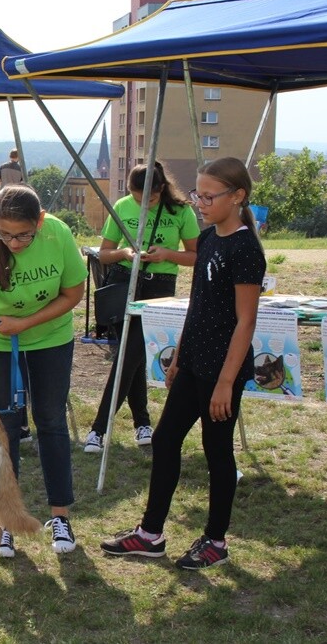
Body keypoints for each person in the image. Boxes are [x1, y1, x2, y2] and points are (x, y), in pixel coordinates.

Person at [100, 157, 266, 571]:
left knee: (217, 452)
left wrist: (227, 381)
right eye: (197, 194)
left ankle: (216, 541)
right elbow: (199, 306)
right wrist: (179, 356)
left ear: (238, 196)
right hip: (193, 364)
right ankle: (150, 534)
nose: (200, 203)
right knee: (165, 439)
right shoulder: (209, 239)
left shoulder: (245, 249)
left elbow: (246, 321)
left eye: (209, 196)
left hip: (222, 372)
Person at [0, 184, 87, 558]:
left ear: (40, 221)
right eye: (5, 234)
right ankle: (4, 524)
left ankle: (60, 515)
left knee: (50, 421)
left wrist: (27, 322)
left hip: (51, 339)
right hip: (0, 346)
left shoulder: (58, 233)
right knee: (3, 430)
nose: (14, 243)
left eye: (23, 235)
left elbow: (73, 293)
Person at [84, 161, 199, 453]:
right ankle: (141, 424)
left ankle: (99, 428)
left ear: (161, 189)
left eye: (147, 199)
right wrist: (124, 251)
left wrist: (168, 254)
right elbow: (105, 254)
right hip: (125, 281)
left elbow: (196, 255)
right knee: (130, 357)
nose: (141, 204)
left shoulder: (182, 211)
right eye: (136, 198)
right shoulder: (121, 206)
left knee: (130, 355)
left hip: (160, 285)